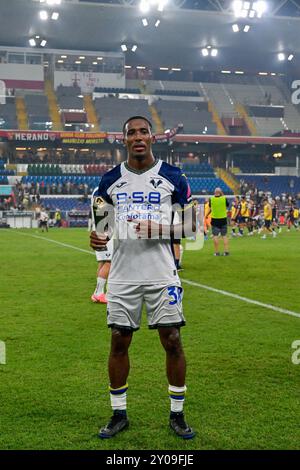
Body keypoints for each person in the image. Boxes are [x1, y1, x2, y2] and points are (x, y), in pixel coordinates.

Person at [90, 116, 196, 439]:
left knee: (173, 341)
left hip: (162, 274)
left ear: (152, 138)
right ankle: (118, 413)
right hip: (122, 276)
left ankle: (177, 415)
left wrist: (160, 229)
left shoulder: (174, 177)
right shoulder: (108, 181)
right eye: (131, 133)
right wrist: (97, 239)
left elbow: (192, 227)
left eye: (143, 132)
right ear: (123, 140)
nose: (137, 137)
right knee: (119, 341)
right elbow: (102, 231)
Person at [90, 187, 113, 304]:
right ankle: (98, 293)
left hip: (99, 230)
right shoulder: (101, 191)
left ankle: (99, 292)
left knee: (103, 262)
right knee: (110, 262)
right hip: (105, 231)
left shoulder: (97, 190)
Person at [207, 187, 230, 256]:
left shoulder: (211, 199)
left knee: (215, 236)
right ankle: (226, 251)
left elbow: (210, 208)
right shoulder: (224, 198)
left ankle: (217, 252)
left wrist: (206, 215)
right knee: (224, 235)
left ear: (214, 192)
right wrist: (222, 195)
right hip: (223, 219)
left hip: (215, 219)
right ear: (221, 192)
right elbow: (227, 206)